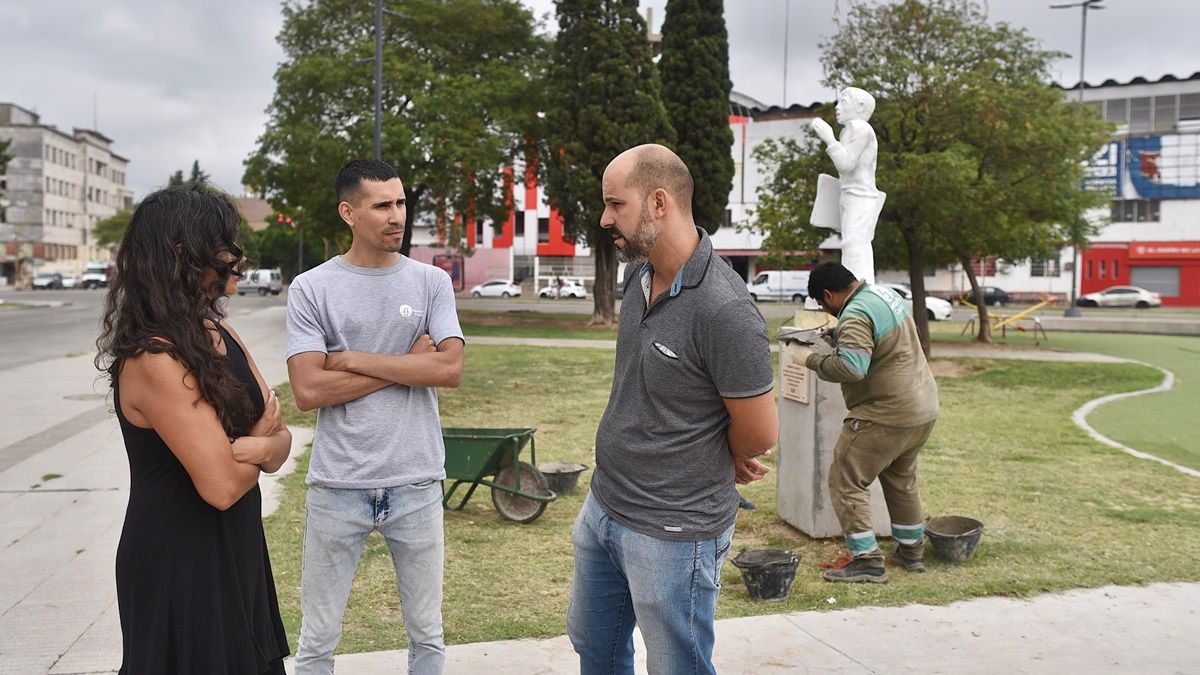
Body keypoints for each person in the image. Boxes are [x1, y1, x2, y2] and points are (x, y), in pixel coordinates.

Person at [567, 144, 779, 674]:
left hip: (673, 531)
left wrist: (717, 455)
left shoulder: (724, 309)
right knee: (595, 650)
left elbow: (759, 432)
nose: (604, 218)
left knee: (676, 667)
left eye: (615, 204)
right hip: (604, 507)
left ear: (658, 202)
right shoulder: (639, 278)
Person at [96, 182, 292, 673]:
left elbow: (282, 437)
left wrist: (246, 448)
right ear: (184, 254)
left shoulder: (218, 332)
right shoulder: (154, 357)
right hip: (179, 563)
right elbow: (222, 486)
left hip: (236, 548)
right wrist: (258, 447)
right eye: (225, 242)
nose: (238, 256)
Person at [286, 159, 464, 674]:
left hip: (417, 481)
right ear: (348, 212)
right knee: (317, 641)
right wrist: (410, 364)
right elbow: (308, 389)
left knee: (427, 636)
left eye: (401, 203)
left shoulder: (431, 282)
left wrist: (355, 358)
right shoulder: (311, 288)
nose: (397, 216)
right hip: (339, 484)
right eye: (382, 205)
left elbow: (449, 369)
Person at [790, 262, 940, 584]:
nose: (824, 310)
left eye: (821, 303)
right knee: (901, 479)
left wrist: (811, 360)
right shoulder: (883, 295)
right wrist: (837, 335)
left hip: (886, 415)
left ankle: (867, 561)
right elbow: (879, 343)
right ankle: (912, 552)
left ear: (829, 295)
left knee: (846, 478)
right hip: (922, 408)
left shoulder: (855, 315)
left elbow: (853, 368)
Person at [811, 86, 885, 283]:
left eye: (843, 101)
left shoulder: (860, 128)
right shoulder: (849, 130)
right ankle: (858, 286)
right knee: (854, 243)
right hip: (851, 194)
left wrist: (829, 138)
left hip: (860, 196)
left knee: (854, 244)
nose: (837, 107)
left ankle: (857, 289)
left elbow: (845, 164)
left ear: (860, 106)